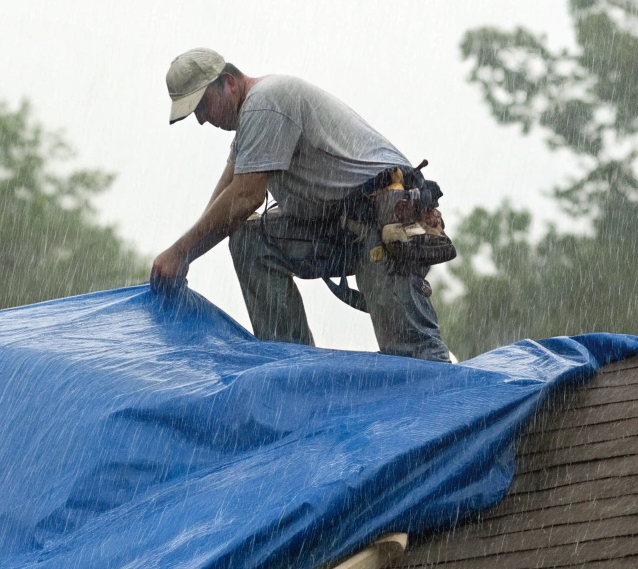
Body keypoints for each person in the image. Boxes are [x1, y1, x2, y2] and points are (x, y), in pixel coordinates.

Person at [148, 48, 451, 362]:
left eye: (201, 106)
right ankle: (291, 365)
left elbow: (244, 198)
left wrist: (181, 253)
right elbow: (224, 201)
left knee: (416, 356)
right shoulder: (249, 126)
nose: (201, 120)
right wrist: (183, 258)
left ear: (228, 82)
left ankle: (445, 395)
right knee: (251, 238)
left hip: (384, 219)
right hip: (337, 225)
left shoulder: (266, 102)